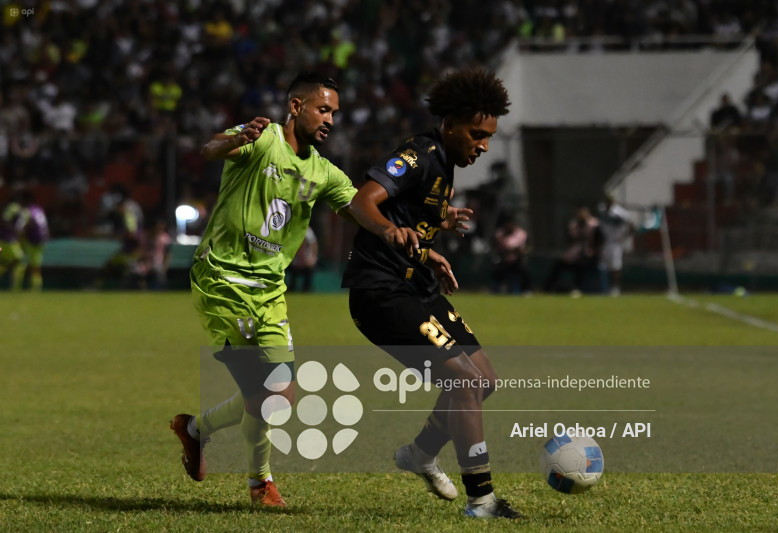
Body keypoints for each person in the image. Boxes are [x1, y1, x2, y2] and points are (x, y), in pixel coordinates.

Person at [169, 72, 358, 507]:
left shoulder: (323, 171)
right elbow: (209, 147)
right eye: (323, 109)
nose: (330, 119)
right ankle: (261, 484)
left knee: (277, 395)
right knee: (265, 392)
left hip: (271, 291)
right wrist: (234, 141)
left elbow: (359, 208)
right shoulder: (263, 137)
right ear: (296, 107)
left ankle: (196, 429)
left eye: (334, 112)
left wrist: (415, 226)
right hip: (222, 279)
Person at [342, 69, 520, 519]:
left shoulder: (447, 166)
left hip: (416, 284)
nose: (482, 145)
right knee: (463, 383)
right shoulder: (418, 155)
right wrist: (389, 230)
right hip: (381, 293)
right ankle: (482, 501)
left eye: (489, 137)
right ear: (450, 124)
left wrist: (434, 236)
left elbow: (412, 215)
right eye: (477, 134)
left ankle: (419, 454)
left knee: (484, 381)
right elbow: (361, 202)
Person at [543, 206, 603, 296]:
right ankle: (547, 289)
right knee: (559, 264)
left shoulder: (594, 225)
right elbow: (570, 241)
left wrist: (594, 252)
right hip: (575, 255)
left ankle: (576, 288)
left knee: (581, 264)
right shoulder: (574, 225)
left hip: (590, 256)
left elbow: (600, 241)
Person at [597, 194, 635, 296]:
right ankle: (604, 286)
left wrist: (625, 237)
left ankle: (615, 288)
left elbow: (631, 225)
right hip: (606, 241)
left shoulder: (620, 213)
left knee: (615, 266)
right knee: (604, 265)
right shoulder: (602, 209)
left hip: (616, 242)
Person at [17, 190, 50, 292]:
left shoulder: (26, 212)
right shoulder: (38, 210)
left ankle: (16, 287)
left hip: (31, 240)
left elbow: (20, 228)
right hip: (42, 240)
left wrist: (19, 242)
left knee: (21, 263)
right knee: (36, 266)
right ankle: (36, 288)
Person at [489, 214, 530, 295]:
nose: (509, 226)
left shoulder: (521, 234)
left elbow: (525, 249)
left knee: (520, 271)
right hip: (502, 260)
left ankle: (522, 290)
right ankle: (495, 289)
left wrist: (515, 250)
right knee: (497, 268)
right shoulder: (499, 234)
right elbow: (495, 247)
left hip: (516, 261)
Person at [0, 191, 25, 290]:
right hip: (8, 240)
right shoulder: (14, 207)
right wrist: (13, 230)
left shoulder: (17, 209)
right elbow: (4, 219)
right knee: (21, 262)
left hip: (6, 239)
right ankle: (16, 287)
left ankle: (15, 286)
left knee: (5, 263)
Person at [286, 226, 318, 292]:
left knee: (309, 271)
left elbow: (314, 244)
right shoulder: (291, 228)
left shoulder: (307, 230)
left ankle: (306, 289)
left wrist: (312, 258)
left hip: (306, 261)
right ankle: (291, 288)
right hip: (294, 260)